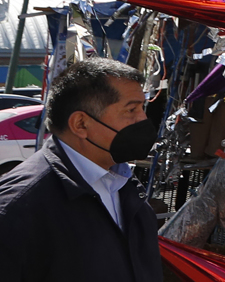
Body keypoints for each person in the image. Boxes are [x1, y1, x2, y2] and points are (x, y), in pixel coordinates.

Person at [0, 58, 161, 282]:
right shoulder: (20, 205)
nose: (143, 119)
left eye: (142, 108)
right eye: (131, 110)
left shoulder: (125, 185)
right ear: (81, 125)